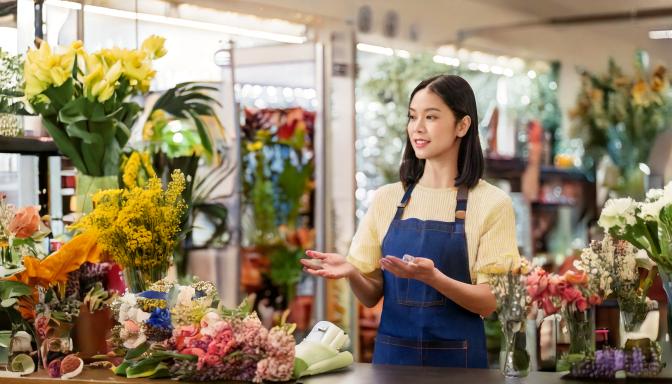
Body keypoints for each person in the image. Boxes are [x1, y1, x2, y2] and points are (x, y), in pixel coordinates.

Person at [301, 74, 519, 368]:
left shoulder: (491, 203)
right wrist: (353, 272)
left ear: (462, 125)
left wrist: (434, 279)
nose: (417, 127)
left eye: (431, 117)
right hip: (392, 362)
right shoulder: (386, 199)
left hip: (459, 366)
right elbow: (371, 296)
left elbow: (490, 301)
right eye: (413, 116)